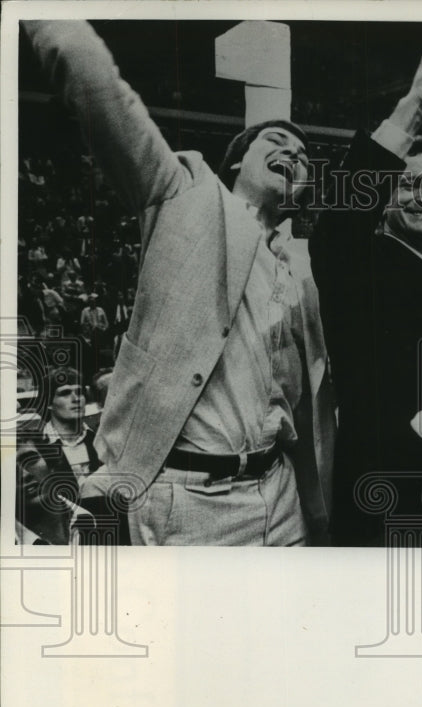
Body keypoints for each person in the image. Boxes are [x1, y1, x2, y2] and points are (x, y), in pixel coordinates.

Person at [25, 20, 334, 546]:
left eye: (305, 157)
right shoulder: (182, 197)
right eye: (277, 141)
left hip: (281, 496)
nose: (295, 155)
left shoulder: (300, 268)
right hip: (187, 502)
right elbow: (103, 95)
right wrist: (49, 19)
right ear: (237, 159)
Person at [308, 50, 422, 547]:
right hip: (382, 503)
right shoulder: (361, 264)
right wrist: (414, 109)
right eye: (409, 183)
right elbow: (337, 226)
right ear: (381, 197)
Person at [38, 366, 102, 501]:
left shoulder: (100, 440)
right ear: (49, 403)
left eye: (79, 392)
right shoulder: (38, 447)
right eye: (65, 393)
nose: (76, 399)